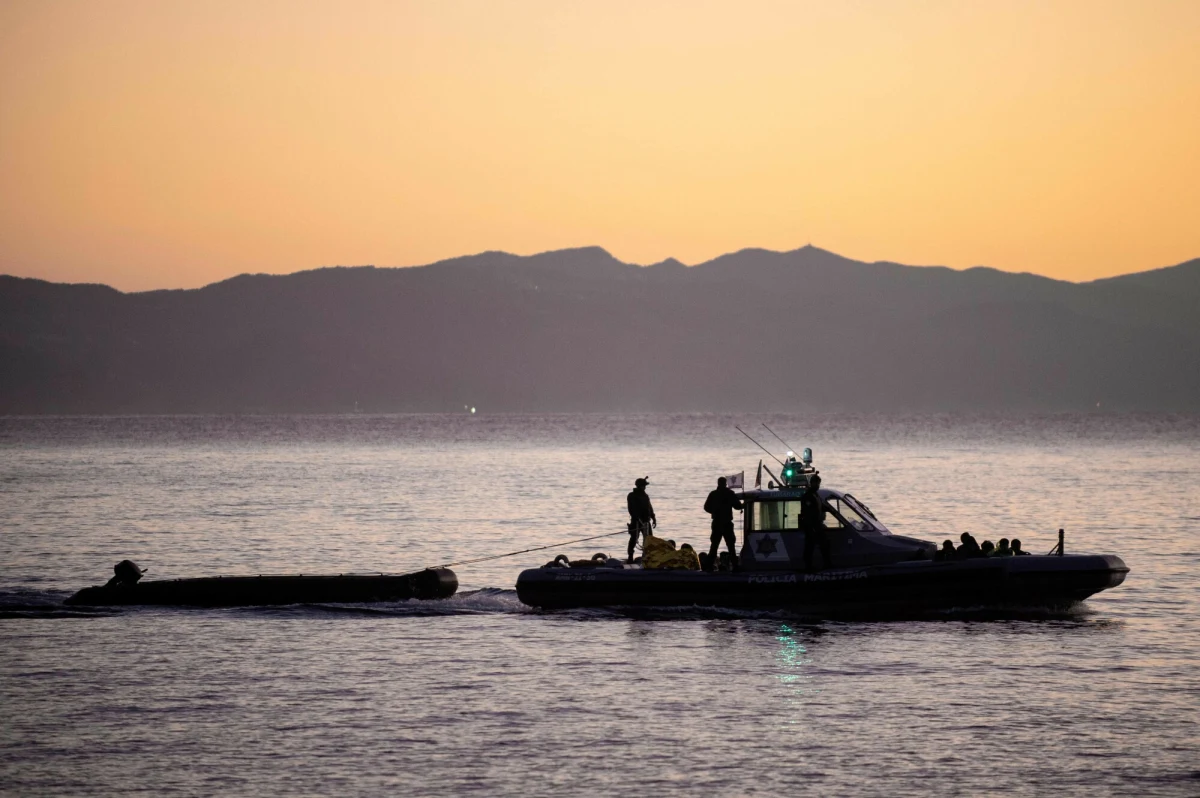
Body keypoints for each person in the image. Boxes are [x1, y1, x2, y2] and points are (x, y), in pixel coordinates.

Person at [704, 476, 743, 572]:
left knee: (714, 545)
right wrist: (745, 505)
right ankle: (735, 566)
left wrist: (714, 511)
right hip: (726, 524)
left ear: (718, 484)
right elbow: (737, 506)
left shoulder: (713, 494)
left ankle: (709, 567)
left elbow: (706, 507)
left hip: (717, 523)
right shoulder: (729, 494)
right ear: (726, 484)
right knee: (731, 546)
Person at [800, 474, 832, 571]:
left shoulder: (815, 495)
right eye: (816, 484)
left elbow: (820, 506)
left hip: (817, 524)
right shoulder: (808, 496)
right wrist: (812, 526)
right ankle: (808, 566)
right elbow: (808, 513)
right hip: (811, 525)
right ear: (812, 483)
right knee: (810, 545)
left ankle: (827, 563)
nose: (818, 486)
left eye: (819, 484)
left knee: (824, 543)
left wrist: (830, 509)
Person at [626, 476, 656, 563]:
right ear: (640, 486)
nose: (645, 487)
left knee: (649, 539)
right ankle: (630, 556)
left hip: (646, 522)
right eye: (643, 485)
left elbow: (649, 507)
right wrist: (638, 520)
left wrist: (653, 517)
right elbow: (631, 509)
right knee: (634, 538)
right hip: (636, 522)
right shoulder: (632, 496)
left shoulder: (645, 496)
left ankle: (648, 557)